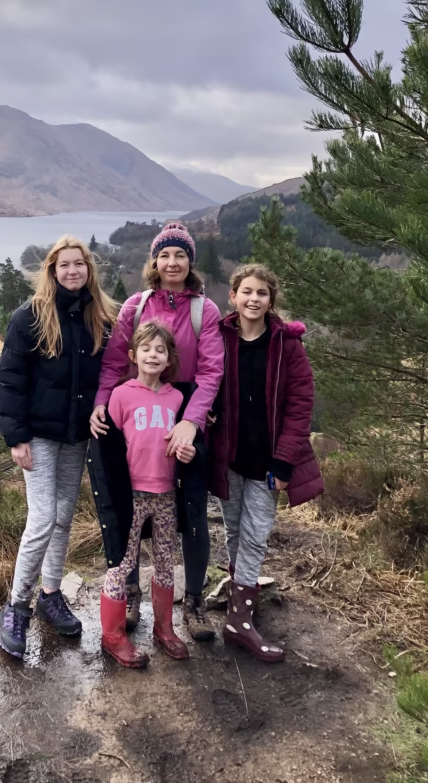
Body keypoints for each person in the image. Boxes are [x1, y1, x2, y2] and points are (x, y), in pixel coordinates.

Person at [90, 222, 224, 641]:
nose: (172, 262)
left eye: (180, 255)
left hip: (184, 408)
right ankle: (130, 593)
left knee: (192, 513)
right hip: (136, 408)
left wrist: (192, 419)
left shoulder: (205, 310)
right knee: (127, 507)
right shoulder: (135, 305)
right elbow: (115, 361)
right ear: (154, 261)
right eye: (165, 255)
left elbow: (211, 370)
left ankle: (195, 602)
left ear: (190, 262)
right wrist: (101, 401)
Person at [0, 236, 117, 658]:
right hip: (39, 436)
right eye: (63, 265)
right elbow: (11, 379)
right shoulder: (29, 317)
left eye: (78, 264)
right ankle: (16, 606)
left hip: (77, 435)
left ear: (89, 269)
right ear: (51, 270)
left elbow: (112, 374)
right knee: (43, 518)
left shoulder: (99, 316)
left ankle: (51, 593)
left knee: (64, 516)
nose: (71, 271)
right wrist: (16, 437)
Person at [209, 264, 323, 662]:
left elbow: (300, 405)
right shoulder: (219, 338)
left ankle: (239, 622)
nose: (254, 299)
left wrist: (285, 461)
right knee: (235, 531)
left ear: (271, 300)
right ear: (233, 296)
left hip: (268, 462)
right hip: (230, 456)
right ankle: (240, 597)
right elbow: (207, 384)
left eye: (262, 293)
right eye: (247, 291)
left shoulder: (286, 344)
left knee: (256, 534)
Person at [99, 321, 192, 668]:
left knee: (166, 563)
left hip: (166, 495)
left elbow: (188, 442)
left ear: (169, 359)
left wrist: (189, 453)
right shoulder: (121, 395)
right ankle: (112, 636)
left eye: (160, 350)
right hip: (131, 496)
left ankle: (164, 629)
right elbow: (109, 447)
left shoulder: (178, 398)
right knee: (122, 564)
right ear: (132, 355)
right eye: (146, 349)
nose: (153, 355)